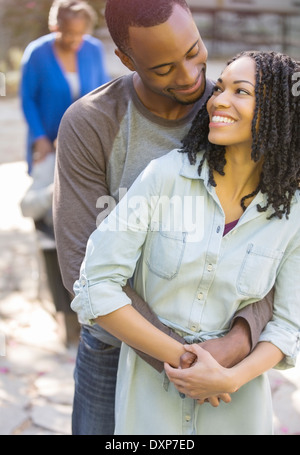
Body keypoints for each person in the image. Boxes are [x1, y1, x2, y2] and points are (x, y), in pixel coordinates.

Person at [53, 0, 273, 434]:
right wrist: (183, 358)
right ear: (126, 60)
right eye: (163, 68)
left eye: (194, 51)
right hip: (115, 350)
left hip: (221, 354)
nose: (190, 75)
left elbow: (275, 242)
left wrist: (235, 343)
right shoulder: (92, 124)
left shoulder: (238, 115)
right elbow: (79, 263)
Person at [20, 0, 109, 344]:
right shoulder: (37, 53)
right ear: (55, 27)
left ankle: (82, 307)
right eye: (68, 34)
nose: (74, 41)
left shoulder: (93, 49)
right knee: (49, 230)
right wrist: (42, 138)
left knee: (84, 229)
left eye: (80, 34)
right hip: (47, 149)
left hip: (83, 149)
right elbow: (27, 99)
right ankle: (63, 316)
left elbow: (100, 94)